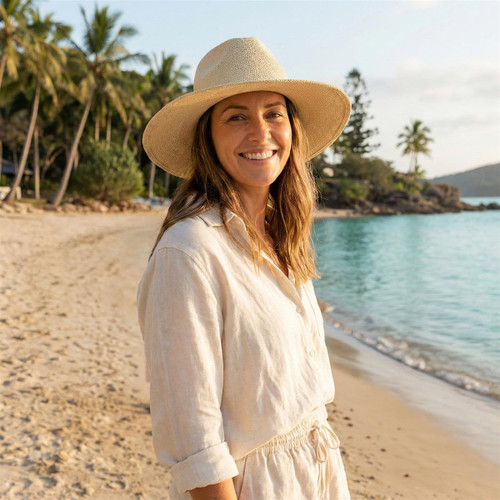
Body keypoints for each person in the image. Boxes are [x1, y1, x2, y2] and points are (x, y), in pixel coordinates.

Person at [137, 37, 351, 500]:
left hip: (316, 474)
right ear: (207, 138)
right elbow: (195, 440)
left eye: (274, 113)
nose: (261, 133)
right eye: (236, 116)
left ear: (291, 127)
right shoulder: (189, 252)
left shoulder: (283, 237)